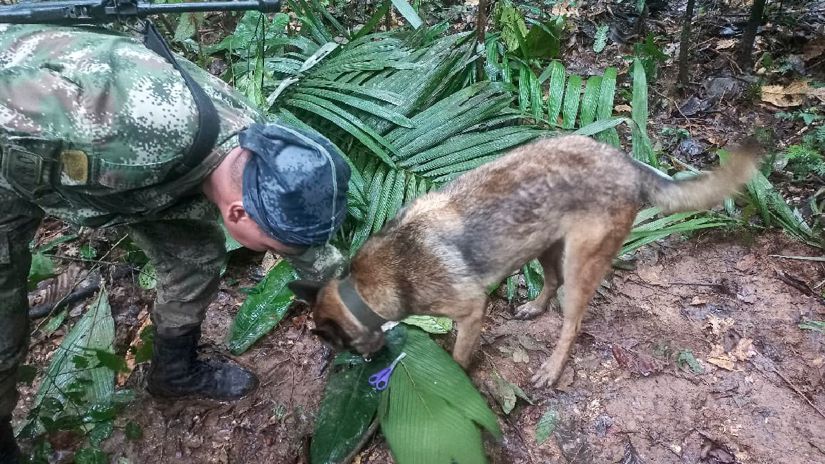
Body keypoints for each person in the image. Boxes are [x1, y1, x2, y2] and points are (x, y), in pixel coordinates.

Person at [0, 23, 350, 462]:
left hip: (110, 161)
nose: (276, 253)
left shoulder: (258, 150)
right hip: (16, 143)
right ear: (237, 213)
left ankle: (174, 371)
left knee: (196, 257)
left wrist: (354, 306)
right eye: (273, 247)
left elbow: (303, 243)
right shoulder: (129, 144)